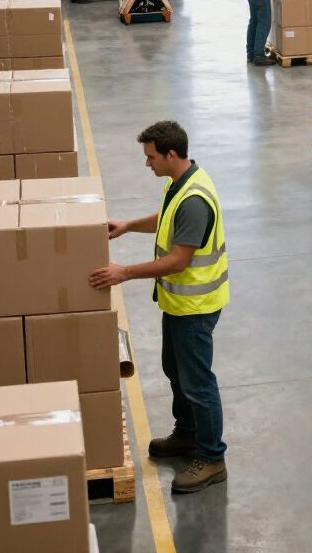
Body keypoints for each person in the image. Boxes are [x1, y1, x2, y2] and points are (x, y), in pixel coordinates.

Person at [89, 120, 229, 495]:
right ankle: (187, 435)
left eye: (150, 157)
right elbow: (167, 220)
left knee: (198, 383)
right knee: (175, 370)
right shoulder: (178, 184)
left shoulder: (195, 200)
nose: (146, 163)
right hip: (179, 304)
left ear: (171, 154)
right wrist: (128, 225)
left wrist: (124, 273)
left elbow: (178, 261)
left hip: (195, 307)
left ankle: (213, 458)